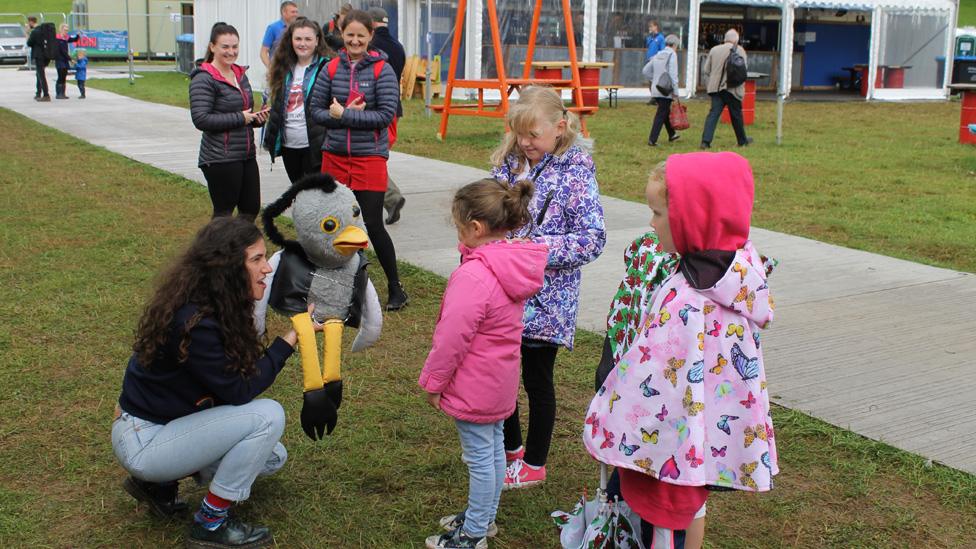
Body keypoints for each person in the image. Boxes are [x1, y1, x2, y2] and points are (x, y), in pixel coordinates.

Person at [584, 153, 778, 549]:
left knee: (660, 525)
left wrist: (607, 411)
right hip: (698, 438)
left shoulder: (690, 299)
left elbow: (650, 376)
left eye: (657, 213)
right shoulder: (734, 273)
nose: (651, 223)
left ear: (693, 218)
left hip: (668, 445)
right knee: (676, 520)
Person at [112, 217, 322, 549]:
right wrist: (290, 339)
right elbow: (239, 390)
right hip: (145, 441)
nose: (267, 268)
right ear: (226, 269)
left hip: (155, 428)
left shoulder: (211, 305)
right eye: (256, 259)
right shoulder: (197, 322)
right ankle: (210, 523)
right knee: (267, 416)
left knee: (271, 457)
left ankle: (159, 486)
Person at [420, 178, 547, 549]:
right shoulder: (510, 266)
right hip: (498, 381)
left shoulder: (474, 276)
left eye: (459, 228)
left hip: (474, 385)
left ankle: (474, 533)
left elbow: (450, 340)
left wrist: (433, 383)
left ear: (475, 228)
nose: (458, 235)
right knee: (492, 452)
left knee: (480, 458)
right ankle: (483, 518)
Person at [490, 86, 606, 489]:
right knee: (500, 374)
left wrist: (534, 249)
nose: (524, 142)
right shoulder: (510, 162)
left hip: (546, 300)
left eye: (533, 135)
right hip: (502, 293)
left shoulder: (576, 171)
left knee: (537, 380)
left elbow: (592, 238)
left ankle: (535, 463)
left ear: (560, 128)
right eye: (518, 133)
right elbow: (491, 210)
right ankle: (510, 450)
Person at [308, 10, 408, 311]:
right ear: (341, 33)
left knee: (373, 224)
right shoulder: (331, 67)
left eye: (360, 36)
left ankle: (395, 287)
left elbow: (385, 116)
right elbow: (316, 110)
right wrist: (341, 117)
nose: (354, 41)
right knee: (335, 226)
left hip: (369, 158)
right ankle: (337, 287)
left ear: (369, 37)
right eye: (349, 35)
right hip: (335, 156)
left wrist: (345, 114)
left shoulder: (383, 71)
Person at [189, 23, 269, 220]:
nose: (231, 52)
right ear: (212, 47)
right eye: (225, 47)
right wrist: (240, 118)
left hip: (246, 154)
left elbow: (245, 114)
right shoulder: (204, 78)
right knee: (224, 214)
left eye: (235, 47)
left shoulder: (240, 75)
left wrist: (257, 119)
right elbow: (201, 119)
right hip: (220, 157)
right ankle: (217, 250)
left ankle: (241, 251)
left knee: (250, 210)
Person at [263, 18, 333, 183]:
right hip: (289, 145)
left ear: (317, 41)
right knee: (299, 193)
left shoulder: (327, 67)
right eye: (298, 39)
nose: (303, 44)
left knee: (315, 196)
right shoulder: (282, 67)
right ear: (291, 40)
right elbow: (278, 104)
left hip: (315, 146)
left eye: (308, 39)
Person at [366, 6, 408, 225]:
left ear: (370, 24)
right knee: (378, 155)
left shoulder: (369, 46)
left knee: (371, 157)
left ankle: (391, 197)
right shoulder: (398, 47)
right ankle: (390, 198)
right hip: (394, 109)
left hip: (375, 110)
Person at [700, 29, 752, 149]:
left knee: (713, 115)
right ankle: (742, 141)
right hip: (732, 88)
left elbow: (706, 70)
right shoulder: (739, 50)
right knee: (736, 116)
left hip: (716, 88)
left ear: (725, 39)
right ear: (736, 40)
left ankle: (705, 141)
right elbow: (744, 70)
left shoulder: (714, 49)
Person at [643, 34, 681, 146]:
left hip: (656, 88)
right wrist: (676, 92)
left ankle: (672, 134)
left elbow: (645, 71)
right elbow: (673, 74)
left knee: (664, 111)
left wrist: (654, 79)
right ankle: (652, 140)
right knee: (661, 113)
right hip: (666, 90)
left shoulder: (658, 54)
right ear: (674, 45)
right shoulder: (672, 55)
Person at [260, 1, 300, 69]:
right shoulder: (273, 28)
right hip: (279, 71)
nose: (296, 14)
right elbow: (263, 52)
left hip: (295, 70)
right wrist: (271, 68)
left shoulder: (298, 28)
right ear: (284, 13)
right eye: (293, 12)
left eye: (296, 12)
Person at [27, 21, 54, 102]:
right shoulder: (47, 32)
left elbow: (29, 43)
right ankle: (38, 93)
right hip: (47, 55)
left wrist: (27, 33)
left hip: (38, 55)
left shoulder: (35, 32)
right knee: (39, 74)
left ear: (31, 23)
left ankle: (46, 94)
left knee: (41, 75)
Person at [54, 23, 79, 99]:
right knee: (60, 76)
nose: (66, 32)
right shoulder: (57, 38)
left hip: (65, 60)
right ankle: (59, 93)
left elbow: (74, 39)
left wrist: (78, 35)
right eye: (65, 30)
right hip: (59, 59)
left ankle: (63, 93)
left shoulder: (66, 38)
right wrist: (70, 59)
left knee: (64, 76)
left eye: (67, 30)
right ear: (61, 29)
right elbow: (62, 51)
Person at [644, 20, 666, 103]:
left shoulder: (660, 38)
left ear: (656, 27)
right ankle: (653, 97)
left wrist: (656, 57)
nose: (650, 28)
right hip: (649, 60)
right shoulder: (650, 37)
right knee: (650, 79)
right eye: (649, 27)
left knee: (656, 80)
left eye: (651, 26)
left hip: (656, 61)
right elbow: (648, 45)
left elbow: (662, 50)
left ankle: (658, 97)